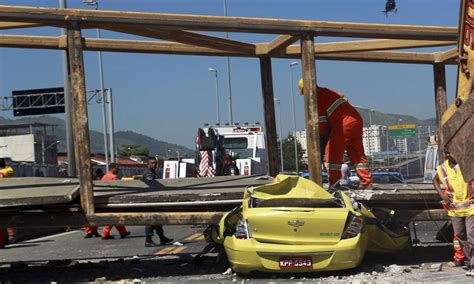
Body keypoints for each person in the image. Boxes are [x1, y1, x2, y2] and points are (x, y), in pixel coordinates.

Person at [298, 79, 372, 189]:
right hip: (355, 119)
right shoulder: (328, 91)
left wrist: (322, 141)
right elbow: (344, 98)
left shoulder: (315, 97)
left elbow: (322, 123)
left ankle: (334, 182)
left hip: (343, 123)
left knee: (332, 151)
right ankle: (367, 183)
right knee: (357, 153)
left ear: (305, 90)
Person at [433, 150, 474, 276]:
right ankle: (469, 262)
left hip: (470, 206)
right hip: (455, 209)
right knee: (461, 236)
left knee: (471, 234)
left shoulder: (467, 163)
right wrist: (442, 194)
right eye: (449, 152)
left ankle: (473, 265)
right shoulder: (443, 168)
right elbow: (434, 180)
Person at [142, 157, 173, 247]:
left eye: (155, 163)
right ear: (148, 164)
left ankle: (162, 237)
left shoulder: (153, 172)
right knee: (151, 219)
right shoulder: (148, 173)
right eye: (152, 163)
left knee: (158, 219)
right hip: (149, 199)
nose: (154, 164)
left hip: (153, 198)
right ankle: (148, 240)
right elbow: (152, 185)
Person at [100, 163, 131, 240]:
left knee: (116, 217)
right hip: (113, 200)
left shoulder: (104, 177)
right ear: (112, 168)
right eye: (117, 168)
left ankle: (123, 232)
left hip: (104, 199)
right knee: (112, 217)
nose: (118, 170)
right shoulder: (114, 177)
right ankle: (105, 234)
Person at [0, 158, 16, 248]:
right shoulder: (10, 171)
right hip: (12, 196)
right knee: (9, 218)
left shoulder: (1, 173)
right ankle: (12, 236)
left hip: (3, 197)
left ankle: (4, 239)